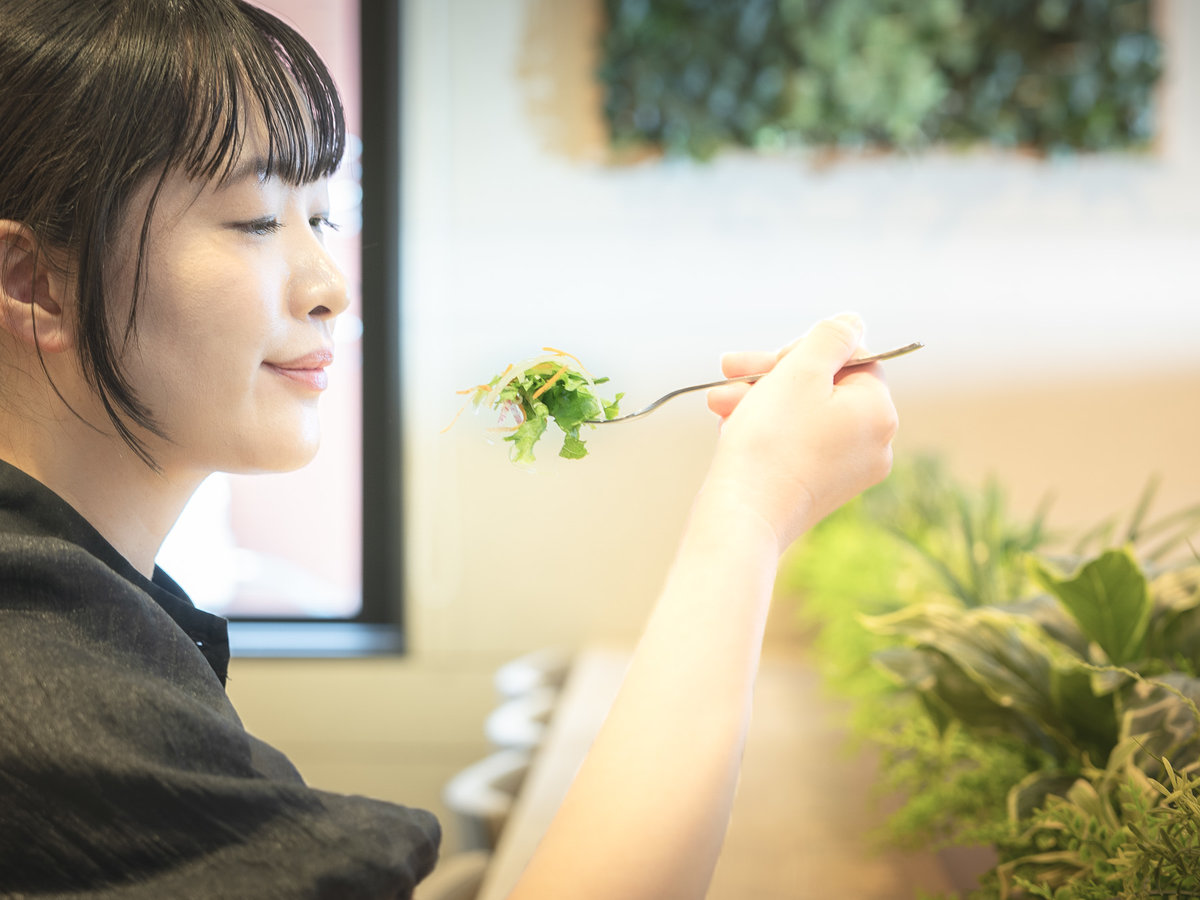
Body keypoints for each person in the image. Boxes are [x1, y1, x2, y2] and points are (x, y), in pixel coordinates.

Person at [0, 1, 898, 898]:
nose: (329, 289)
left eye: (322, 218)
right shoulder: (35, 649)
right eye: (255, 221)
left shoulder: (92, 600)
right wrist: (752, 507)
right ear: (36, 283)